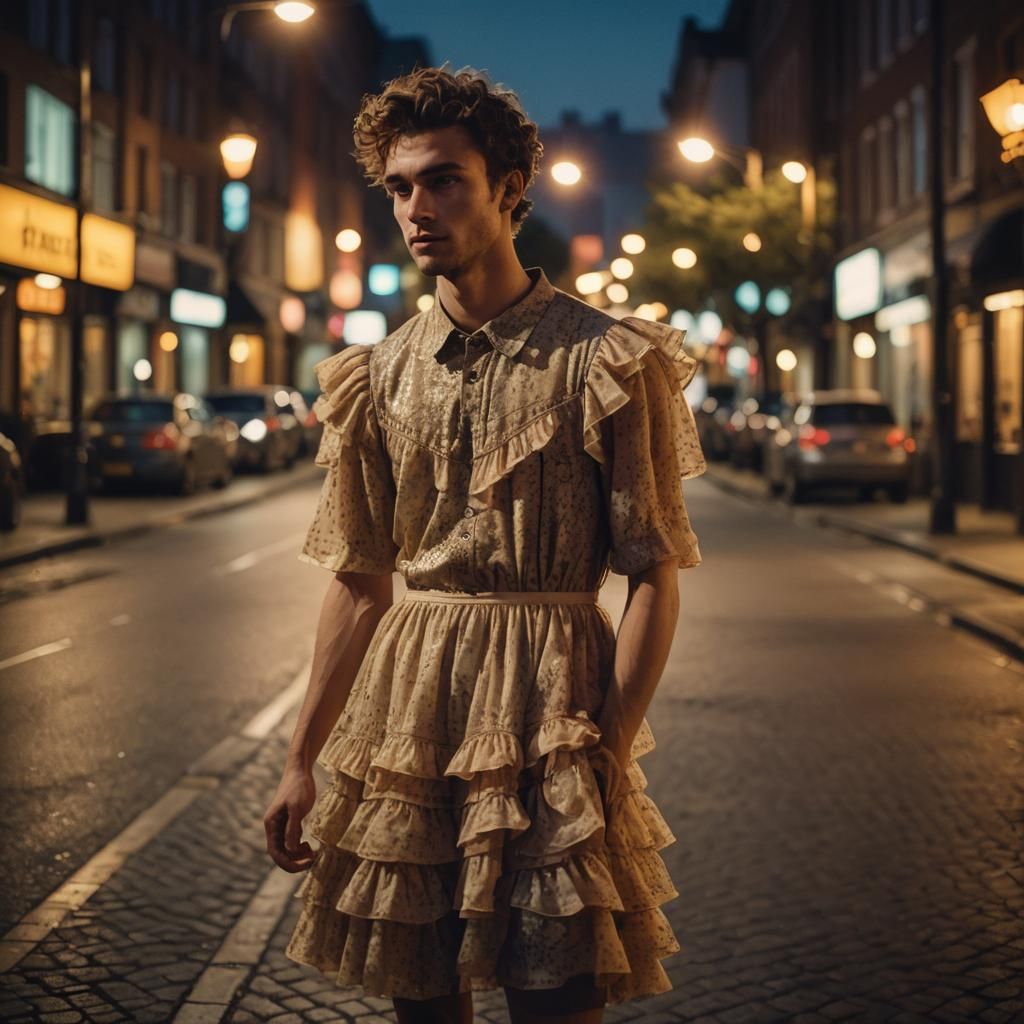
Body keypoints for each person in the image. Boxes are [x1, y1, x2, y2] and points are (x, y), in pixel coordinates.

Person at [263, 66, 707, 1024]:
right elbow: (358, 583)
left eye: (444, 180)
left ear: (510, 189)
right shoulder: (374, 375)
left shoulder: (609, 357)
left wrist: (610, 749)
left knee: (558, 994)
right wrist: (301, 759)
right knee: (422, 1002)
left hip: (557, 714)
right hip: (411, 714)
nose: (417, 208)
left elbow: (652, 577)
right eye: (400, 185)